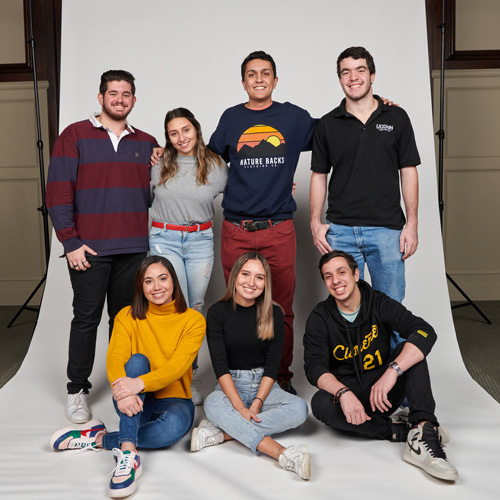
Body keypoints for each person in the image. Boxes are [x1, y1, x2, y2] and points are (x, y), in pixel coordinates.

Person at [46, 70, 158, 424]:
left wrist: (161, 164)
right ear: (101, 97)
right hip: (89, 250)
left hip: (134, 249)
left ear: (134, 101)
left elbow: (154, 195)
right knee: (86, 319)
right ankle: (76, 389)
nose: (119, 99)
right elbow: (58, 192)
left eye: (126, 94)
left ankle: (123, 384)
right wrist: (71, 242)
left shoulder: (147, 142)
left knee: (126, 322)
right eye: (113, 93)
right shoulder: (74, 135)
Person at [49, 255, 206, 498]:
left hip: (174, 399)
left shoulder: (193, 320)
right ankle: (129, 454)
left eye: (163, 278)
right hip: (133, 400)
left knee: (170, 431)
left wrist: (137, 383)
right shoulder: (126, 315)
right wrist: (125, 392)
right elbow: (114, 358)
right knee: (136, 361)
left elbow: (178, 366)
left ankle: (99, 439)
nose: (157, 287)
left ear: (173, 281)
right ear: (140, 287)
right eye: (148, 281)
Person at [207, 50, 318, 393]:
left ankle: (279, 379)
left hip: (278, 229)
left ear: (275, 80)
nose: (258, 79)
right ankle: (240, 379)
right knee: (238, 308)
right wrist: (162, 153)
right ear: (243, 83)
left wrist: (373, 105)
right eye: (252, 74)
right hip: (236, 230)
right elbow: (205, 161)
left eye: (265, 73)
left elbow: (335, 131)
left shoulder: (294, 118)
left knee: (280, 309)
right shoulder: (231, 118)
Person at [303, 250, 458, 482]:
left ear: (356, 274)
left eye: (341, 272)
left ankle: (424, 427)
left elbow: (425, 331)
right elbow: (314, 367)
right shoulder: (320, 317)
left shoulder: (378, 302)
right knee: (320, 403)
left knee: (411, 350)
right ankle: (400, 430)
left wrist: (392, 372)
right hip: (351, 404)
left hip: (383, 394)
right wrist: (343, 393)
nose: (335, 280)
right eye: (328, 276)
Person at [309, 47, 420, 344]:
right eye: (346, 72)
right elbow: (319, 175)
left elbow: (408, 170)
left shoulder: (396, 117)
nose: (353, 77)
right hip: (341, 232)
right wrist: (315, 221)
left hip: (387, 231)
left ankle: (396, 388)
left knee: (393, 314)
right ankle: (355, 384)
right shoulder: (328, 124)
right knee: (347, 315)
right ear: (339, 79)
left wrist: (412, 224)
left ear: (372, 75)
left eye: (360, 70)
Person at [191, 251, 310, 480]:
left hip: (264, 388)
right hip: (230, 384)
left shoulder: (274, 312)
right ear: (235, 276)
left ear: (266, 283)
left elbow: (273, 365)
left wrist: (255, 406)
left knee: (300, 409)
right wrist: (239, 407)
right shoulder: (217, 312)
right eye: (245, 274)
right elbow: (220, 365)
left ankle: (222, 434)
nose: (251, 282)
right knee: (213, 403)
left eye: (259, 277)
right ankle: (282, 454)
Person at [149, 108, 227, 405]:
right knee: (172, 307)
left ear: (196, 129)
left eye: (186, 130)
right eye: (173, 133)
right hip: (164, 238)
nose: (181, 138)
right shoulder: (157, 164)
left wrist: (280, 189)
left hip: (200, 241)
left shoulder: (216, 165)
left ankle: (188, 376)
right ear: (167, 138)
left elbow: (245, 193)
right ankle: (169, 377)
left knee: (194, 309)